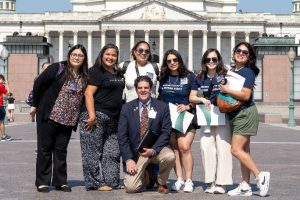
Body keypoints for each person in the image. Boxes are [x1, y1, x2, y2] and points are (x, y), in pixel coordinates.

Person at [30, 44, 89, 193]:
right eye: (74, 54)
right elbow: (38, 83)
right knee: (45, 149)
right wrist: (35, 104)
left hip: (68, 119)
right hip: (50, 115)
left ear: (84, 58)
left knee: (61, 150)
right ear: (69, 55)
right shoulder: (58, 68)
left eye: (80, 55)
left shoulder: (84, 75)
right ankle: (42, 182)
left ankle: (60, 181)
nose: (77, 57)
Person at [221, 42, 270, 197]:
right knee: (244, 151)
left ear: (249, 57)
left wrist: (225, 89)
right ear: (234, 52)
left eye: (245, 52)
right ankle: (245, 185)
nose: (241, 53)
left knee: (235, 149)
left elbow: (246, 95)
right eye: (238, 50)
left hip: (244, 113)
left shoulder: (247, 72)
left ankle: (260, 176)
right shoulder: (233, 71)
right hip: (236, 114)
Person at [117, 75, 175, 194]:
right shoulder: (126, 108)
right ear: (136, 89)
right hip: (137, 153)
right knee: (131, 188)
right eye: (140, 88)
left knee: (170, 156)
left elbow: (166, 131)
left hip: (156, 149)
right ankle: (147, 177)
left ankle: (161, 181)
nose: (143, 90)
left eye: (146, 87)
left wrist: (154, 150)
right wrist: (128, 159)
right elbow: (122, 137)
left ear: (151, 89)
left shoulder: (162, 107)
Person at [79, 43, 125, 191]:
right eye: (108, 54)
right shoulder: (96, 71)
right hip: (96, 115)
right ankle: (94, 183)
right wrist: (92, 116)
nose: (110, 57)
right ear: (102, 54)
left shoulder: (117, 72)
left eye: (114, 55)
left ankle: (112, 181)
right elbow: (88, 93)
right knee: (92, 151)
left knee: (112, 151)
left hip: (113, 118)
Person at [189, 48, 232, 194]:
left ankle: (222, 182)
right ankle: (210, 181)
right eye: (208, 60)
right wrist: (202, 99)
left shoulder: (225, 75)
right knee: (206, 148)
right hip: (206, 116)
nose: (211, 62)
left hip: (223, 115)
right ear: (204, 62)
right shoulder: (199, 77)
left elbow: (232, 92)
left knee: (223, 148)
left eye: (214, 59)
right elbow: (192, 97)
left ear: (218, 60)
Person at [158, 49, 196, 193]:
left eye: (175, 60)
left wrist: (188, 106)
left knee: (184, 146)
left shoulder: (189, 76)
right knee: (174, 150)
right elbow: (160, 97)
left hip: (185, 116)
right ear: (166, 63)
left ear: (179, 60)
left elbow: (196, 96)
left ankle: (189, 180)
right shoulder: (163, 77)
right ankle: (179, 178)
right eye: (169, 61)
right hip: (169, 117)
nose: (172, 63)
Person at [0, 74, 11, 141]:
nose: (2, 80)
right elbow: (8, 93)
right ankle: (3, 136)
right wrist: (7, 85)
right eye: (1, 79)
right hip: (0, 106)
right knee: (1, 121)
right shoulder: (1, 86)